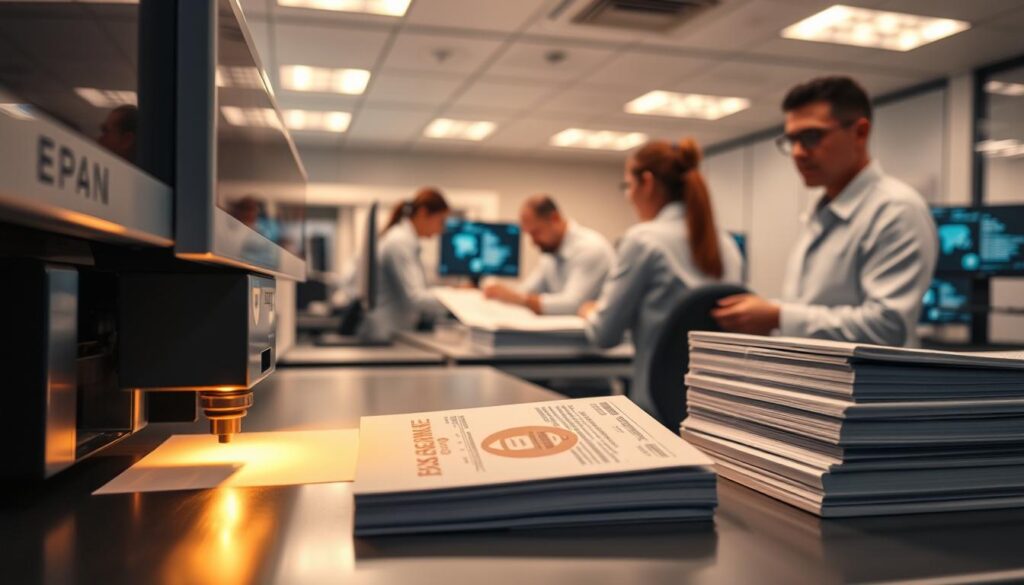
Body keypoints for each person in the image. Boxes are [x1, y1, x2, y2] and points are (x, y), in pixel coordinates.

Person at [711, 76, 938, 347]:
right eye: (791, 140)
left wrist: (778, 317)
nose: (797, 152)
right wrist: (768, 317)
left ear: (860, 132)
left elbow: (887, 326)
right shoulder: (822, 212)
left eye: (810, 137)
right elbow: (812, 308)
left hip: (865, 388)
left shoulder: (896, 210)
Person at [579, 138, 744, 414]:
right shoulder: (726, 244)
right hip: (716, 408)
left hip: (656, 408)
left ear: (647, 182)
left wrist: (589, 311)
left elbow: (604, 335)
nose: (629, 196)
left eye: (628, 186)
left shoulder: (642, 241)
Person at [483, 194, 614, 315]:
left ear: (554, 218)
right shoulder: (551, 254)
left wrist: (519, 299)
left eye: (536, 233)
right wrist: (498, 293)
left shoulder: (590, 249)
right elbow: (528, 290)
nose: (533, 242)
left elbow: (573, 305)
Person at [361, 188, 451, 341]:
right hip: (385, 335)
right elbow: (416, 298)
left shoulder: (404, 242)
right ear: (423, 213)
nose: (442, 229)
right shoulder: (399, 243)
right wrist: (456, 301)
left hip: (392, 332)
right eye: (441, 221)